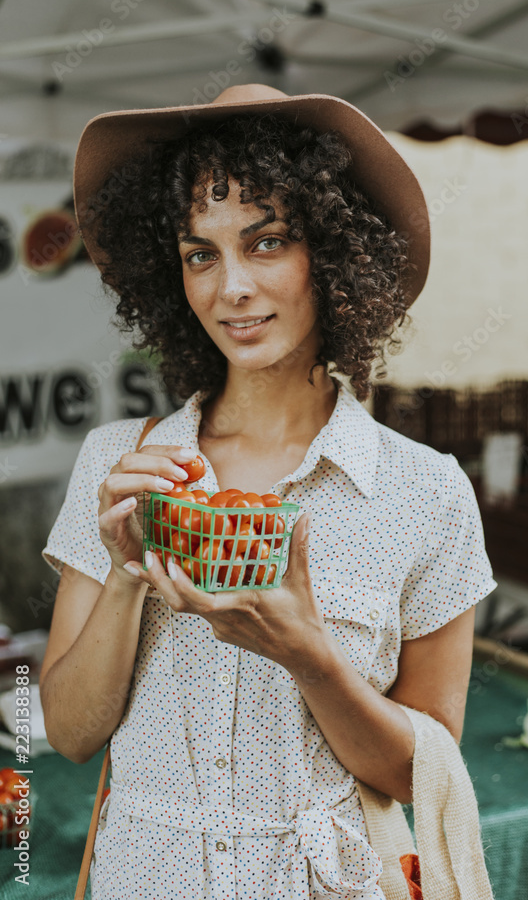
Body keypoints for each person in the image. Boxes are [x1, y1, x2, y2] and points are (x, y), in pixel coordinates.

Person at [39, 83, 497, 899]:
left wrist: (307, 656)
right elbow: (70, 735)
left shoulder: (427, 493)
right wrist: (124, 575)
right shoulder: (119, 464)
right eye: (200, 254)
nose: (231, 288)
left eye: (267, 241)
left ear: (334, 249)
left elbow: (420, 773)